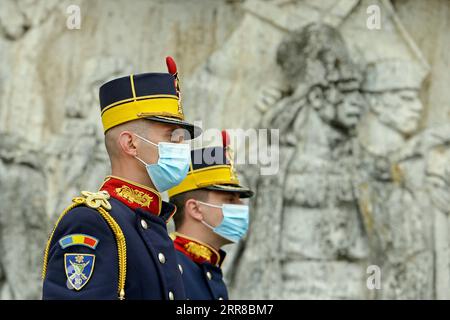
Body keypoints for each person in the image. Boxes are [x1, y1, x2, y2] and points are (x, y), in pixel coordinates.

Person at [42, 57, 201, 300]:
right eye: (172, 137)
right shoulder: (93, 222)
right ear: (130, 144)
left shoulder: (154, 223)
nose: (181, 148)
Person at [168, 130, 254, 300]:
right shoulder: (167, 265)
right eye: (230, 199)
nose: (241, 207)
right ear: (195, 209)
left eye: (239, 200)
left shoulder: (209, 267)